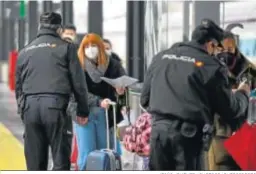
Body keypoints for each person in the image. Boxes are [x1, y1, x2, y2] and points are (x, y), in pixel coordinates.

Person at [140, 19, 250, 170]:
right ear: (211, 44)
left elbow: (145, 99)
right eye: (218, 49)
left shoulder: (160, 57)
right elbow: (230, 110)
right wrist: (243, 92)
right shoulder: (211, 67)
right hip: (188, 138)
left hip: (158, 135)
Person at [15, 12, 89, 170]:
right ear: (59, 29)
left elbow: (18, 86)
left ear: (40, 27)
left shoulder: (25, 51)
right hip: (56, 107)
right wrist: (83, 110)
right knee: (60, 160)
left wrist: (23, 110)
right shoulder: (67, 48)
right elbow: (78, 82)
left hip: (30, 108)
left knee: (35, 162)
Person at [74, 33, 125, 170]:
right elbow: (76, 91)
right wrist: (98, 101)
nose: (90, 49)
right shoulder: (77, 65)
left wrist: (120, 92)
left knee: (105, 150)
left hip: (106, 114)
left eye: (94, 45)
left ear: (100, 47)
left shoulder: (113, 64)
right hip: (84, 113)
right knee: (86, 152)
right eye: (87, 46)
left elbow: (122, 85)